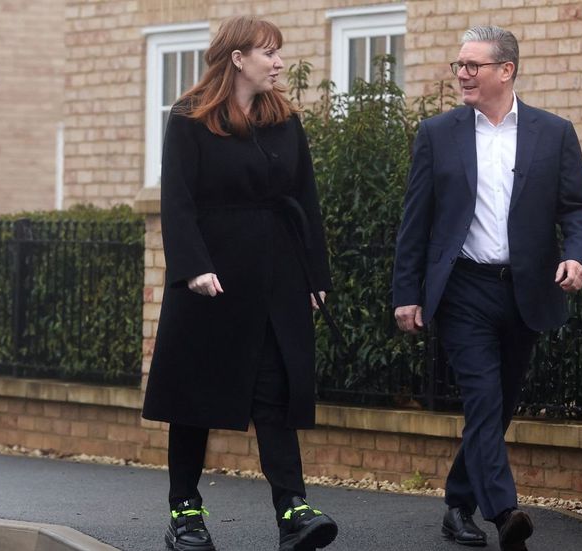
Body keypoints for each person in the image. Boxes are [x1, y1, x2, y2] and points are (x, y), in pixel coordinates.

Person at [392, 25, 582, 551]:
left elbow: (576, 210)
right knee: (483, 398)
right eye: (458, 65)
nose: (462, 74)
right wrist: (406, 293)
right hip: (462, 289)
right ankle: (504, 512)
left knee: (499, 405)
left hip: (525, 290)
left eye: (472, 66)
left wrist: (575, 257)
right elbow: (416, 222)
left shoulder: (554, 133)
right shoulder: (438, 133)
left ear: (506, 70)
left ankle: (458, 504)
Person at [141, 15, 338, 551]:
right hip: (212, 278)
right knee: (194, 397)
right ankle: (185, 512)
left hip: (277, 272)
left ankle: (293, 510)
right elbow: (176, 201)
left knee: (275, 392)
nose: (278, 63)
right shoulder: (190, 118)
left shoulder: (283, 118)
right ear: (237, 58)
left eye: (279, 53)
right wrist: (193, 266)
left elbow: (306, 201)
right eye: (268, 53)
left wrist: (315, 277)